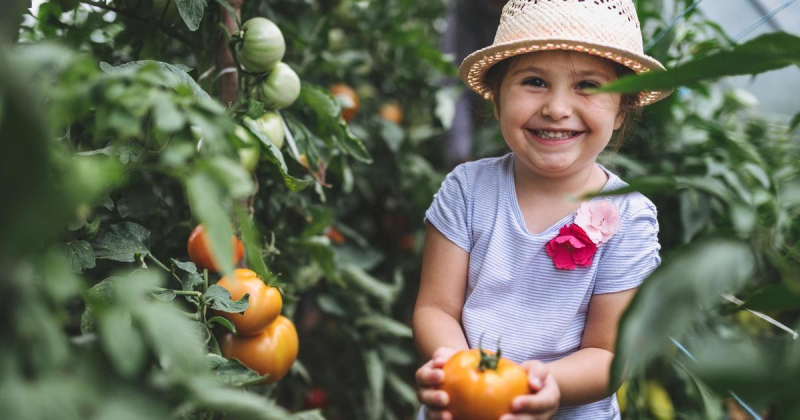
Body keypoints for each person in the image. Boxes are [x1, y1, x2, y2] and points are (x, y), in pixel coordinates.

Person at [413, 1, 672, 419]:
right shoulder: (466, 190)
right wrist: (454, 368)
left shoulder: (629, 217)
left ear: (622, 110)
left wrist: (545, 386)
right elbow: (436, 308)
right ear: (496, 100)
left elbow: (607, 354)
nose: (556, 108)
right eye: (534, 81)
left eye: (588, 85)